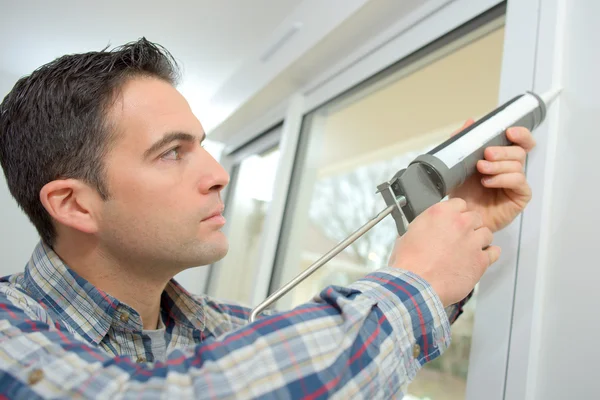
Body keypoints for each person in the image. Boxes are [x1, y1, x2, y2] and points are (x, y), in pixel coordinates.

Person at [0, 38, 536, 399]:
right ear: (74, 205)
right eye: (171, 152)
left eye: (203, 146)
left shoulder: (222, 331)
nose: (218, 174)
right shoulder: (10, 334)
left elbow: (308, 373)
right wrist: (413, 283)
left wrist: (463, 220)